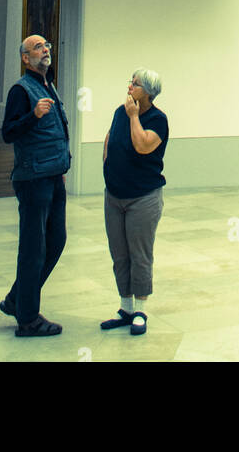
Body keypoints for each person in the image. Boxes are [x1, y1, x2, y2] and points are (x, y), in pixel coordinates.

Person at [0, 36, 71, 337]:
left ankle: (17, 299)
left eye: (47, 47)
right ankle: (27, 319)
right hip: (33, 179)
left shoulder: (47, 84)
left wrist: (60, 167)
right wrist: (33, 115)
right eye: (38, 48)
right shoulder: (21, 90)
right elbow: (8, 132)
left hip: (53, 175)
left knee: (56, 240)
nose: (46, 50)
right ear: (25, 59)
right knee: (33, 248)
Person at [100, 68, 168, 337]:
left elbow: (142, 145)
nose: (130, 87)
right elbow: (109, 138)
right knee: (119, 253)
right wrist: (107, 164)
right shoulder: (120, 111)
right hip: (114, 195)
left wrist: (133, 117)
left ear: (148, 92)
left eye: (136, 84)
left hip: (143, 197)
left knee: (140, 254)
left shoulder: (158, 119)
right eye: (130, 82)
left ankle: (140, 309)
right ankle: (125, 308)